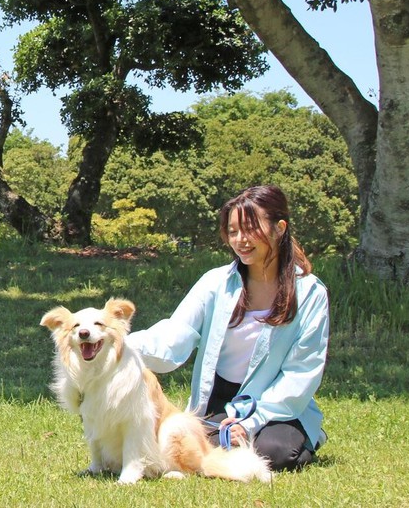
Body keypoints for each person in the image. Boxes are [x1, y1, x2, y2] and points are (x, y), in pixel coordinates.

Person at [126, 184, 329, 471]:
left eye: (250, 229)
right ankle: (223, 435)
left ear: (279, 228)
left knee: (274, 452)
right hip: (218, 401)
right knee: (179, 444)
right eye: (232, 232)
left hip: (275, 404)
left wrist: (251, 422)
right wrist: (125, 346)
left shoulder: (310, 293)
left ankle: (302, 437)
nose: (240, 240)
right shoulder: (215, 283)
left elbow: (301, 372)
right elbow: (175, 334)